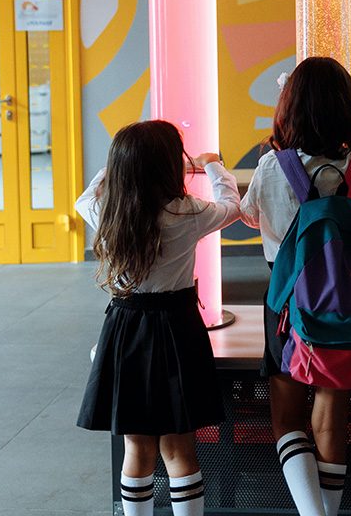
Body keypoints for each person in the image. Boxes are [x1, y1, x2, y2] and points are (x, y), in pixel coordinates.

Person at [240, 57, 351, 516]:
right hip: (349, 301)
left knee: (286, 417)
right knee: (332, 413)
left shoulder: (273, 167)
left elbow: (252, 214)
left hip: (288, 303)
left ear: (289, 107)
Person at [75, 120, 241, 516]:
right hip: (178, 329)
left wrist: (112, 172)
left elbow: (86, 197)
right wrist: (213, 165)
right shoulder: (189, 212)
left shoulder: (106, 211)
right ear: (171, 164)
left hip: (126, 329)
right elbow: (233, 206)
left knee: (137, 446)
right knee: (179, 447)